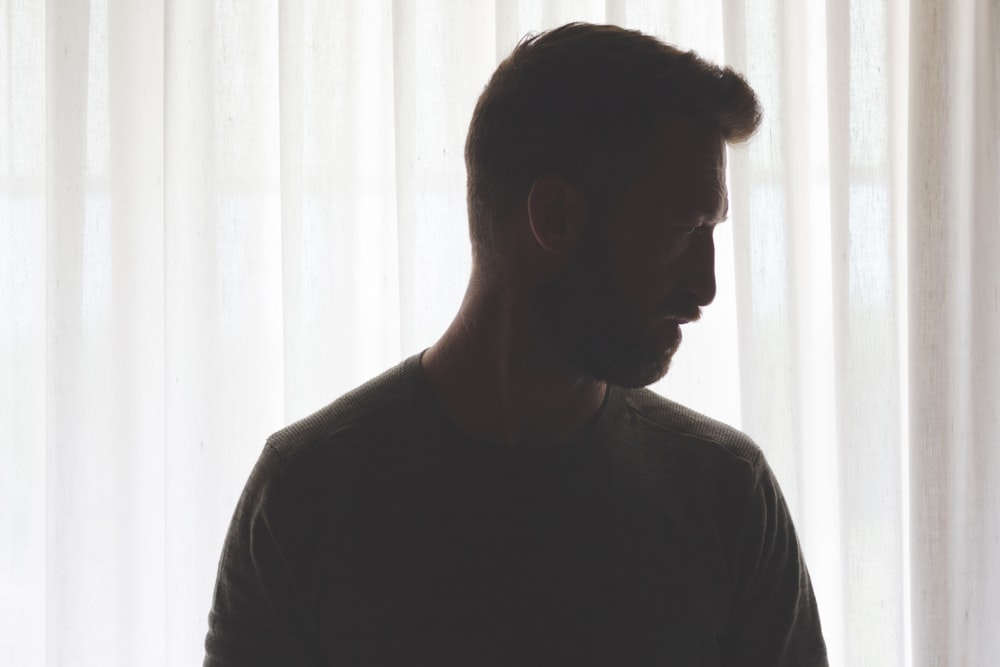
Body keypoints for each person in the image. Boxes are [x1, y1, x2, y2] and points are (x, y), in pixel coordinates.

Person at [204, 22, 828, 666]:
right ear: (555, 216)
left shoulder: (727, 494)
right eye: (679, 230)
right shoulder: (304, 497)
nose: (706, 288)